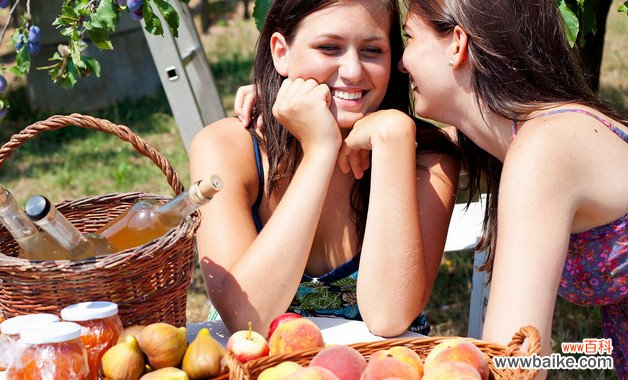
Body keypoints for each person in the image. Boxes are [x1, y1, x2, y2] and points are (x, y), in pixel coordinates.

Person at [189, 0, 460, 337]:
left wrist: (393, 139)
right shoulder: (228, 148)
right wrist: (320, 150)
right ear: (281, 52)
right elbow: (246, 319)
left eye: (372, 51)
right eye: (329, 47)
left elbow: (389, 317)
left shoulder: (423, 155)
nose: (353, 71)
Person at [400, 0, 627, 376]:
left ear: (457, 44)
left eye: (409, 37)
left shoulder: (545, 148)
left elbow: (516, 363)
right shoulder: (534, 131)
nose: (401, 61)